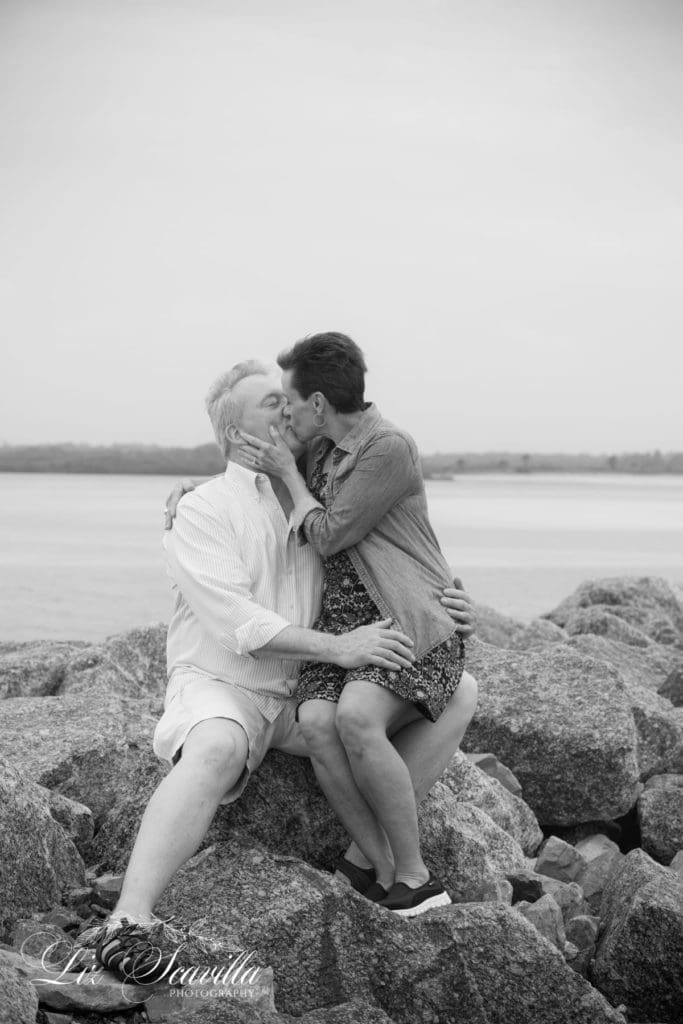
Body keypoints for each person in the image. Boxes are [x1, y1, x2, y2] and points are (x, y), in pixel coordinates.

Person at [94, 360, 477, 983]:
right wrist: (342, 648)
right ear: (236, 434)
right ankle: (129, 919)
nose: (292, 407)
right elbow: (239, 627)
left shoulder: (322, 493)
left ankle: (365, 860)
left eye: (289, 399)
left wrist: (448, 601)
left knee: (458, 691)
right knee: (216, 748)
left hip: (304, 690)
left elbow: (395, 551)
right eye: (272, 403)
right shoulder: (202, 510)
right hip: (227, 685)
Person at [238, 333, 471, 916]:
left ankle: (417, 877)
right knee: (317, 721)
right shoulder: (320, 447)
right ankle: (376, 865)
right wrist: (190, 494)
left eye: (291, 400)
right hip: (343, 626)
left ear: (318, 403)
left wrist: (291, 478)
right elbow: (248, 484)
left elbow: (330, 533)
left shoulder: (387, 447)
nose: (286, 412)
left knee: (357, 715)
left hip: (402, 620)